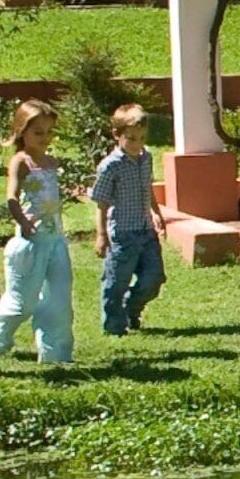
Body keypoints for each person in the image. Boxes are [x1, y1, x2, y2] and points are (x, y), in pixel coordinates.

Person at [0, 100, 76, 366]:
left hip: (56, 240)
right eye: (38, 132)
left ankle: (56, 353)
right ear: (22, 131)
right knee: (22, 300)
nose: (45, 138)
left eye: (49, 132)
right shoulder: (20, 161)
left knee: (59, 296)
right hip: (31, 243)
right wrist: (22, 222)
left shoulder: (51, 162)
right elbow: (12, 197)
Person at [90, 103, 165, 335]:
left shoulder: (146, 158)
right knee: (116, 283)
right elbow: (101, 204)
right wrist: (101, 236)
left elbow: (148, 188)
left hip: (145, 230)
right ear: (117, 135)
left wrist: (156, 212)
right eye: (131, 138)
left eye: (142, 138)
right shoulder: (110, 167)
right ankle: (114, 326)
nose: (137, 144)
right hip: (122, 235)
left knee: (154, 278)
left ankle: (131, 308)